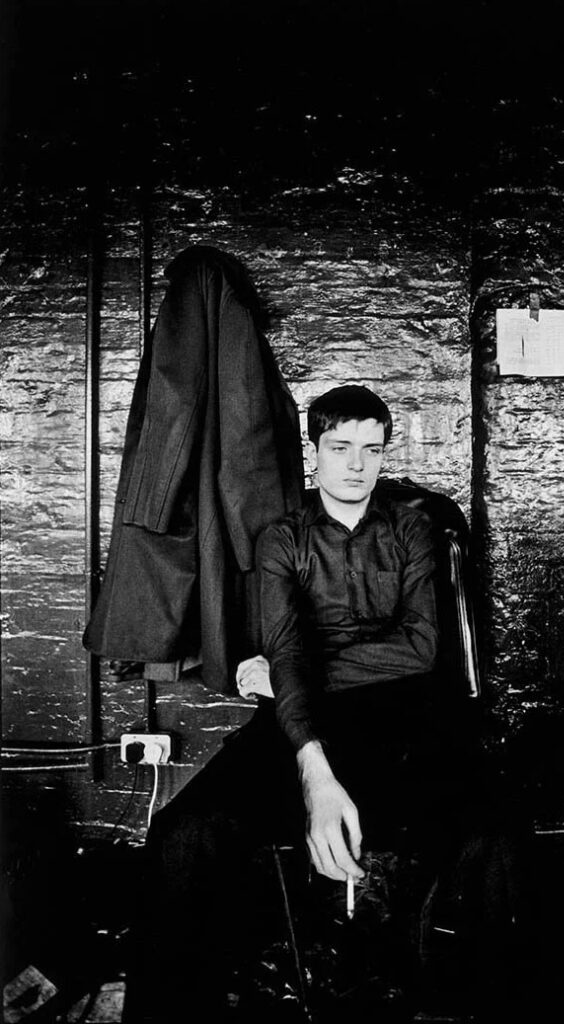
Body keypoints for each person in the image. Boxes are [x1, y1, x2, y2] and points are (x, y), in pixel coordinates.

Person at [122, 385, 449, 1023]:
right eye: (341, 447)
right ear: (315, 450)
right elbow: (288, 648)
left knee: (491, 831)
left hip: (399, 714)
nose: (357, 464)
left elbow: (420, 649)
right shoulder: (283, 538)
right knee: (183, 833)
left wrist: (289, 673)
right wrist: (305, 734)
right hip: (298, 713)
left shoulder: (411, 527)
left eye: (372, 450)